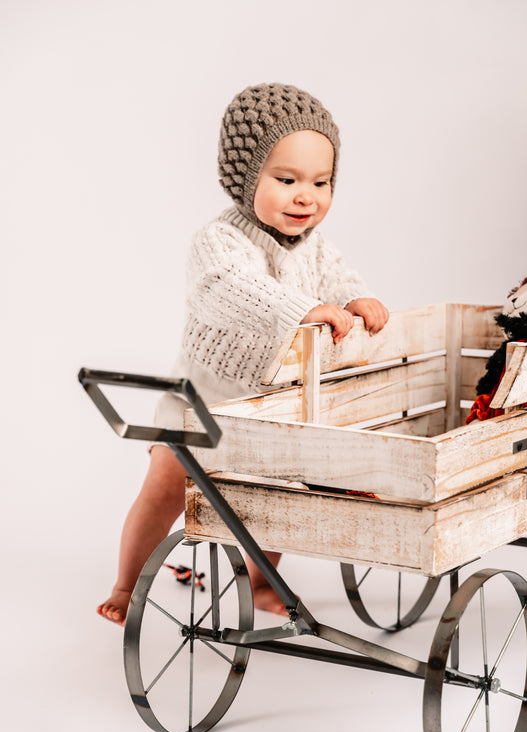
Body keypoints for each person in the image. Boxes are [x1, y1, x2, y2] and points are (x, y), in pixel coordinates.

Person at [98, 82, 389, 625]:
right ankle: (126, 583)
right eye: (286, 180)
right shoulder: (219, 242)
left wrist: (356, 298)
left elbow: (341, 277)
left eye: (321, 182)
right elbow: (228, 289)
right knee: (164, 488)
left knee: (272, 504)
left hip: (267, 406)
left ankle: (260, 581)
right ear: (244, 178)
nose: (307, 196)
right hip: (200, 401)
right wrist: (304, 308)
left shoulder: (316, 248)